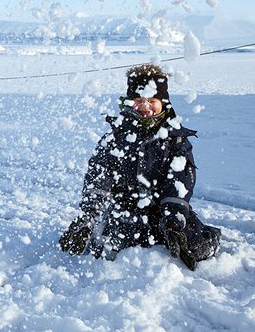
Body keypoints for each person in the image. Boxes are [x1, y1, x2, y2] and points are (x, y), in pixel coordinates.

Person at [59, 63, 221, 270]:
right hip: (125, 211)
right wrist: (88, 216)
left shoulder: (176, 141)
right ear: (129, 102)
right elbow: (100, 175)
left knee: (194, 247)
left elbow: (180, 181)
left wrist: (173, 221)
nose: (145, 106)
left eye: (152, 101)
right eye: (138, 100)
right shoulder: (115, 138)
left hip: (163, 211)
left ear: (164, 103)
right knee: (106, 249)